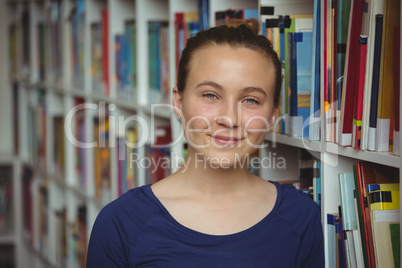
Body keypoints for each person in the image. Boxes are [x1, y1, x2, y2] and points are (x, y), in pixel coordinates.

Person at [86, 19, 324, 267]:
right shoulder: (120, 223)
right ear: (178, 103)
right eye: (211, 95)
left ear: (273, 114)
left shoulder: (302, 216)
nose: (229, 118)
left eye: (251, 100)